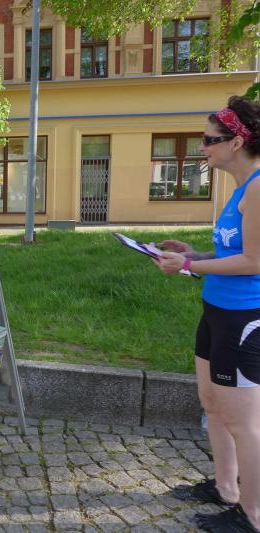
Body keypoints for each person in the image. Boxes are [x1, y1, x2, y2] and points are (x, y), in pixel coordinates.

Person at [155, 96, 260, 533]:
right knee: (212, 404)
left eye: (209, 140)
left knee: (243, 421)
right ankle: (225, 487)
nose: (203, 148)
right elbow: (232, 251)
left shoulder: (258, 188)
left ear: (236, 142)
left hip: (242, 317)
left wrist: (189, 266)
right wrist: (195, 255)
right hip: (216, 309)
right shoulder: (240, 188)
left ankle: (252, 515)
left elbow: (254, 261)